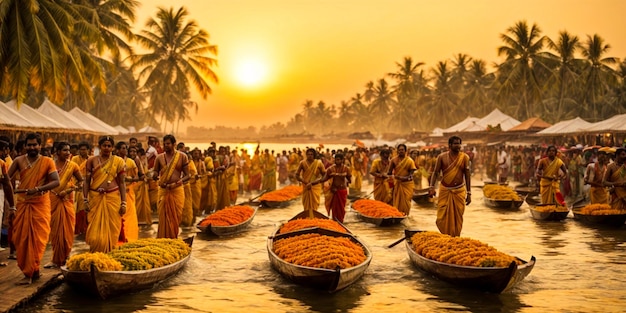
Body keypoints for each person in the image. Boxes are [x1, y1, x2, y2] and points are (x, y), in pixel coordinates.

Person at [7, 133, 60, 284]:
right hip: (23, 204)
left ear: (40, 146)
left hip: (40, 204)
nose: (32, 147)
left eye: (34, 145)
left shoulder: (47, 161)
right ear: (25, 146)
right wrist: (11, 190)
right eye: (29, 145)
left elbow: (56, 181)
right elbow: (6, 179)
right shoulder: (18, 160)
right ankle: (33, 270)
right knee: (21, 239)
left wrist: (38, 189)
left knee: (37, 240)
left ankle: (30, 273)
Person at [83, 136, 127, 253]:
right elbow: (86, 181)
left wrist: (124, 202)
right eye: (104, 145)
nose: (107, 148)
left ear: (112, 147)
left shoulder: (118, 161)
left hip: (112, 198)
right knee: (94, 233)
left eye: (109, 146)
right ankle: (95, 255)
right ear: (99, 146)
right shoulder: (91, 160)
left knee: (112, 230)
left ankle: (109, 255)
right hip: (95, 198)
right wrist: (85, 199)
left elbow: (122, 183)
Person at [46, 142, 82, 268]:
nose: (68, 153)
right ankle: (55, 259)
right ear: (57, 152)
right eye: (65, 150)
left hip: (66, 200)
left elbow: (81, 182)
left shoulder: (73, 166)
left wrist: (68, 190)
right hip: (51, 199)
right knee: (55, 232)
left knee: (67, 231)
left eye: (68, 150)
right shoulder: (49, 164)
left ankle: (66, 257)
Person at [429, 136, 471, 237]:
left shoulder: (465, 157)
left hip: (459, 191)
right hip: (445, 190)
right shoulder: (441, 157)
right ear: (450, 145)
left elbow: (467, 175)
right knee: (441, 218)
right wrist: (431, 187)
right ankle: (445, 235)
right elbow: (435, 172)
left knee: (458, 216)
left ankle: (455, 237)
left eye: (459, 143)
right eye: (455, 143)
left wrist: (469, 193)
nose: (458, 146)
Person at [152, 134, 189, 238]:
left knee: (175, 217)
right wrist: (154, 176)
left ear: (174, 144)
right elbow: (155, 172)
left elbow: (187, 176)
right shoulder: (159, 157)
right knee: (163, 216)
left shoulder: (182, 156)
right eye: (164, 144)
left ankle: (173, 238)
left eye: (168, 143)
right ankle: (163, 239)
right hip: (163, 190)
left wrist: (176, 183)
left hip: (177, 190)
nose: (165, 145)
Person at [115, 141, 139, 242]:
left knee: (129, 215)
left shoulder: (131, 162)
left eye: (125, 148)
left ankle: (129, 236)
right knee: (117, 214)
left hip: (128, 191)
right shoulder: (114, 161)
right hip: (116, 192)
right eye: (122, 148)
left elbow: (137, 177)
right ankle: (117, 236)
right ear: (117, 150)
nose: (124, 150)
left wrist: (130, 179)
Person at [318, 153, 351, 222]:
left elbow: (349, 180)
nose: (337, 161)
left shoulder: (346, 169)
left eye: (338, 160)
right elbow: (324, 179)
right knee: (335, 208)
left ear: (342, 160)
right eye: (335, 160)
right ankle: (335, 221)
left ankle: (341, 221)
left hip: (342, 191)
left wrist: (342, 177)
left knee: (342, 208)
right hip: (334, 191)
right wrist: (313, 183)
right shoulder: (330, 169)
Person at [296, 148, 326, 218]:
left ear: (314, 155)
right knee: (306, 203)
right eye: (308, 154)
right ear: (306, 155)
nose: (310, 156)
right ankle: (307, 218)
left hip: (315, 187)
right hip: (306, 187)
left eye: (311, 154)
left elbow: (324, 175)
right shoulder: (302, 163)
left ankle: (313, 217)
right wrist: (305, 182)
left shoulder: (318, 163)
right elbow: (297, 175)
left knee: (315, 203)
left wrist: (315, 182)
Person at [387, 144, 416, 216]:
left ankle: (405, 214)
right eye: (399, 150)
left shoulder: (410, 161)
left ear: (405, 151)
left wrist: (402, 178)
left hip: (407, 185)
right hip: (397, 184)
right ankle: (397, 214)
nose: (401, 151)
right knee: (396, 200)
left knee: (406, 201)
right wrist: (392, 179)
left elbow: (411, 175)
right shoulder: (393, 160)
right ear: (397, 151)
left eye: (402, 150)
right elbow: (389, 173)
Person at [70, 141, 90, 235]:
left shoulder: (91, 159)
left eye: (84, 149)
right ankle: (79, 229)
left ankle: (86, 228)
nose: (83, 151)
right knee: (79, 208)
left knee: (88, 207)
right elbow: (72, 171)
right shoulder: (74, 159)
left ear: (88, 150)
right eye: (81, 149)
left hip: (89, 186)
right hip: (77, 186)